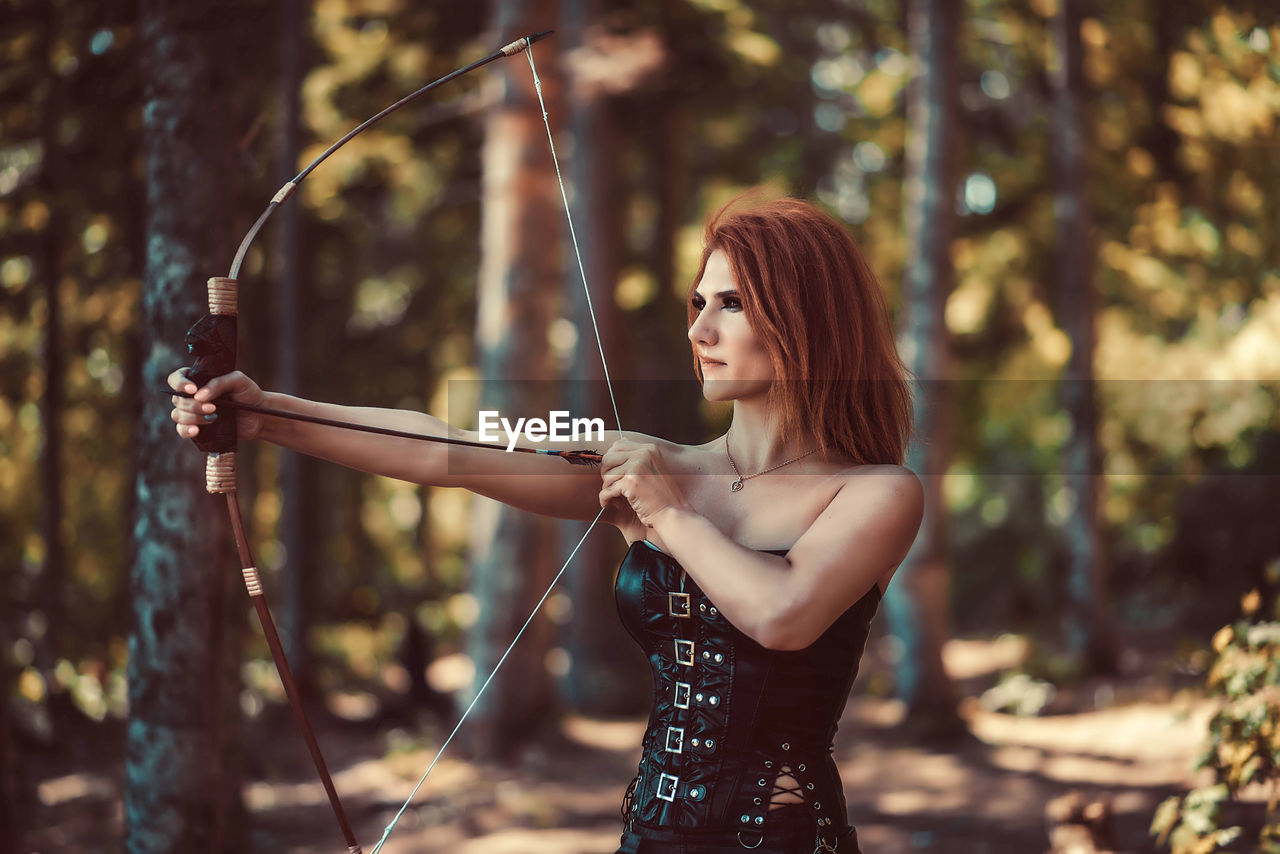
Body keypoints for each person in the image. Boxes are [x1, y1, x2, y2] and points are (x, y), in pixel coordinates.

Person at [169, 196, 923, 853]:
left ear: (806, 318)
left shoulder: (876, 493)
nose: (699, 331)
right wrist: (267, 415)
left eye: (731, 304)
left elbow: (782, 615)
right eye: (697, 304)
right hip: (649, 837)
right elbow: (453, 453)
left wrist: (666, 511)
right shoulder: (652, 463)